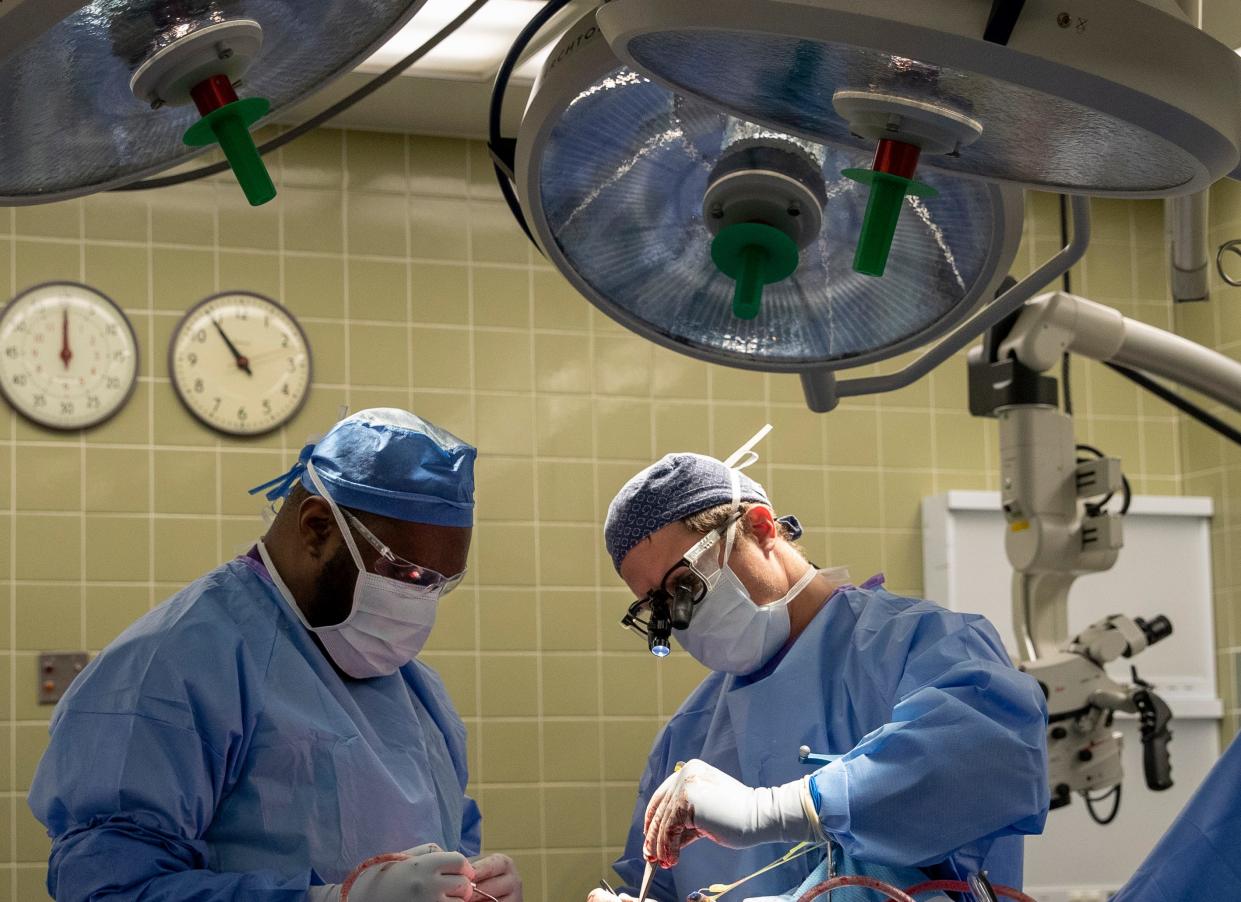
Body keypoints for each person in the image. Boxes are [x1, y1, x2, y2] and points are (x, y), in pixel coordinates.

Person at [29, 409, 522, 902]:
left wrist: (471, 885)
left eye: (442, 583)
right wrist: (327, 899)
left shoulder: (413, 689)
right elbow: (109, 888)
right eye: (409, 575)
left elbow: (444, 835)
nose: (422, 603)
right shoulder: (170, 669)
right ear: (316, 527)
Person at [587, 429, 1050, 902]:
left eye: (685, 586)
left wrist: (774, 810)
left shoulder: (918, 645)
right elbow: (657, 884)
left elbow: (989, 755)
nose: (680, 619)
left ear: (762, 528)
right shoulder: (689, 736)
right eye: (657, 607)